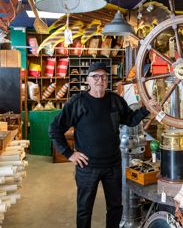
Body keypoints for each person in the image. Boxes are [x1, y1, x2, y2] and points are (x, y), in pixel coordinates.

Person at [49, 62, 157, 228]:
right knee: (84, 210)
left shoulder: (116, 101)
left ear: (107, 80)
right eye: (95, 77)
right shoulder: (78, 103)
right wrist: (70, 154)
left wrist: (146, 108)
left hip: (112, 165)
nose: (100, 80)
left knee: (115, 207)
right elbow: (55, 129)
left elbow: (131, 120)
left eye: (104, 77)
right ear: (88, 80)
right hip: (87, 166)